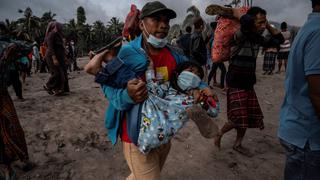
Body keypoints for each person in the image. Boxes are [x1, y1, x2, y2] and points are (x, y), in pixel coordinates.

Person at [85, 2, 214, 179]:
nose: (164, 25)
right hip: (136, 134)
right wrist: (128, 95)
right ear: (141, 24)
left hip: (163, 132)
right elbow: (109, 89)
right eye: (156, 19)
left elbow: (191, 71)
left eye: (166, 21)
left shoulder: (174, 53)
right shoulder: (126, 52)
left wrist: (202, 87)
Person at [213, 7, 284, 156]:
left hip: (248, 82)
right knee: (236, 118)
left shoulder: (259, 38)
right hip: (235, 82)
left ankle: (238, 144)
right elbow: (245, 24)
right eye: (260, 22)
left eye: (264, 22)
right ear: (251, 22)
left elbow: (280, 40)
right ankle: (219, 134)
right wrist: (241, 15)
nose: (263, 26)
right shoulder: (240, 35)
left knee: (245, 117)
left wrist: (268, 25)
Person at [278, 0, 320, 179]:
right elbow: (317, 93)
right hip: (308, 139)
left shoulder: (309, 27)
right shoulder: (318, 32)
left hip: (299, 130)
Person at [0, 43, 34, 180]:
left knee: (13, 127)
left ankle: (19, 158)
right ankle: (6, 165)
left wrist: (9, 51)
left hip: (2, 95)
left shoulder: (5, 47)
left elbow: (26, 48)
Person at [43, 21, 69, 95]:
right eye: (60, 26)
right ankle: (48, 85)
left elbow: (61, 47)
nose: (61, 27)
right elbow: (51, 48)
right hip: (51, 57)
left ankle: (57, 90)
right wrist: (54, 58)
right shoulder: (51, 34)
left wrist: (64, 56)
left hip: (58, 57)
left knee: (61, 74)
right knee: (56, 73)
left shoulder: (58, 35)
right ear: (55, 27)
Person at [207, 21, 227, 89]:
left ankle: (207, 83)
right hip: (217, 55)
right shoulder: (216, 34)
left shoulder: (212, 34)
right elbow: (212, 45)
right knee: (223, 70)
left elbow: (209, 45)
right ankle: (222, 86)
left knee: (213, 70)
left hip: (215, 55)